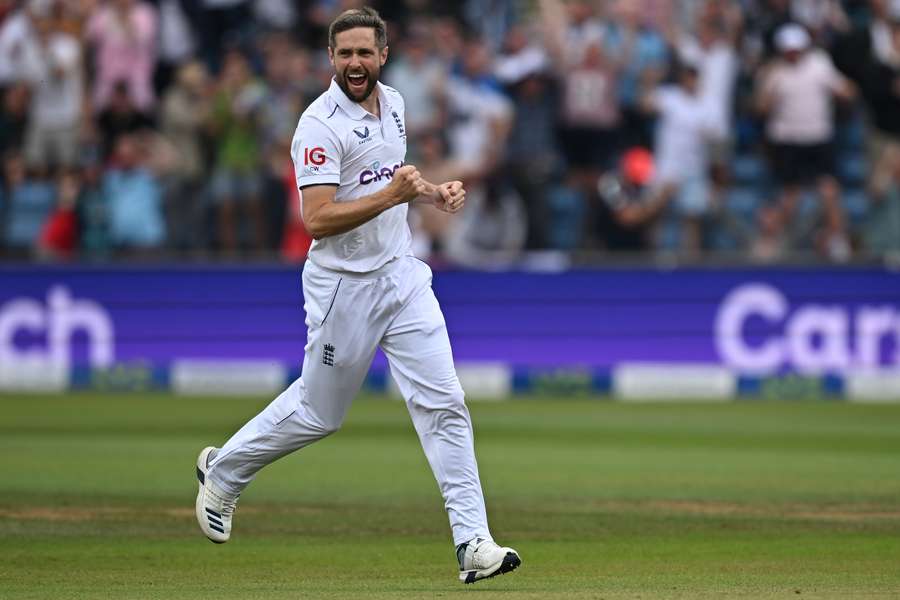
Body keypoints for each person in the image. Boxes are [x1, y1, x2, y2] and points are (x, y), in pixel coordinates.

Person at [193, 7, 522, 585]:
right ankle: (225, 470)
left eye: (364, 52)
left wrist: (428, 194)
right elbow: (317, 219)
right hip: (344, 288)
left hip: (401, 275)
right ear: (330, 58)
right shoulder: (317, 126)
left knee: (444, 403)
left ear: (382, 55)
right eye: (344, 53)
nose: (354, 63)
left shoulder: (393, 103)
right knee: (321, 413)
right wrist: (397, 194)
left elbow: (386, 179)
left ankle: (473, 543)